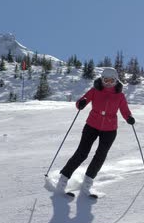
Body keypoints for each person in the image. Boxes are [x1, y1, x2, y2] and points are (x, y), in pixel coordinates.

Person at [55, 67, 135, 195]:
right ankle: (63, 180)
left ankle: (87, 183)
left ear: (116, 81)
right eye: (105, 80)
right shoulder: (95, 90)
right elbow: (83, 100)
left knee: (100, 156)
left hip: (110, 129)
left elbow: (124, 110)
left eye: (111, 81)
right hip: (92, 125)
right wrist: (81, 103)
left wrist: (129, 117)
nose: (108, 83)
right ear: (101, 79)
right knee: (82, 153)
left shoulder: (119, 95)